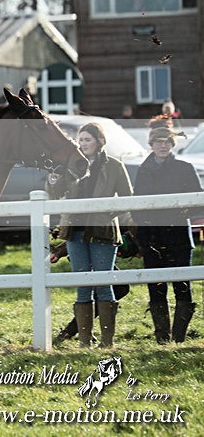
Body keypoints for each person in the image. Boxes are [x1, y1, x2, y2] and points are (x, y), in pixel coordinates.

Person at [47, 122, 133, 348]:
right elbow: (55, 194)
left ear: (99, 141)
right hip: (75, 232)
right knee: (82, 285)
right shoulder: (71, 165)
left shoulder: (114, 165)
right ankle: (84, 341)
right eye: (81, 139)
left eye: (88, 139)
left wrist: (106, 213)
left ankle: (107, 342)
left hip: (103, 230)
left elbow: (127, 197)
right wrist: (54, 178)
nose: (83, 144)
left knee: (104, 284)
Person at [133, 116, 201, 344]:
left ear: (173, 144)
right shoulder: (143, 170)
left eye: (167, 142)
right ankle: (162, 338)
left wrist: (178, 214)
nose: (163, 145)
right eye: (158, 142)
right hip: (151, 236)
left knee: (182, 286)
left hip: (179, 235)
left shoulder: (184, 168)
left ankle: (179, 338)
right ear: (151, 144)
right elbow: (137, 204)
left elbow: (197, 201)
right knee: (156, 287)